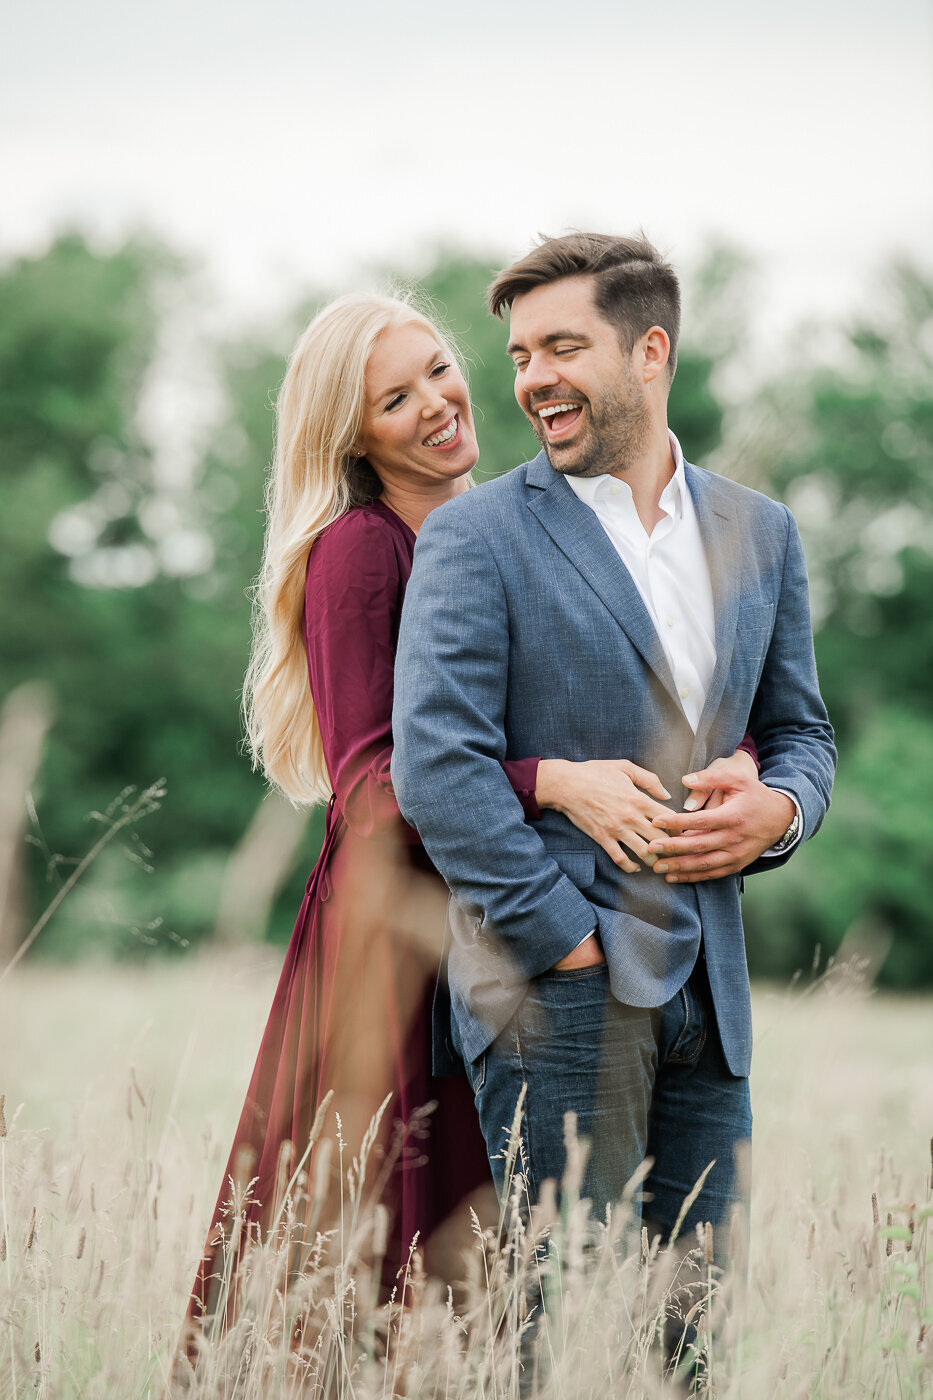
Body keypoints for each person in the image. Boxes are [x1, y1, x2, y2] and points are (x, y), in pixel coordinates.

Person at [183, 289, 761, 1352]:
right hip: (403, 945)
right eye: (395, 398)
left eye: (439, 369)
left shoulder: (503, 521)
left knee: (517, 1276)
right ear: (354, 434)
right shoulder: (364, 550)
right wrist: (550, 780)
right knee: (401, 1267)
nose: (438, 404)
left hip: (502, 915)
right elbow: (371, 790)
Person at [391, 233, 837, 1257]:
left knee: (690, 1329)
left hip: (713, 1001)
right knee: (561, 1326)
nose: (531, 379)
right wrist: (565, 945)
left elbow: (802, 731)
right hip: (556, 992)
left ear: (649, 351)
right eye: (517, 357)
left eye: (560, 347)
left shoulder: (760, 529)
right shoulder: (477, 537)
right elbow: (437, 765)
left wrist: (781, 809)